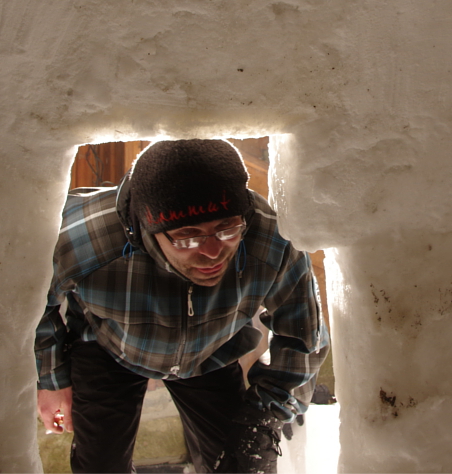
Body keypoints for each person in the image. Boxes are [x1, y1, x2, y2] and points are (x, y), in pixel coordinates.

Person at [34, 139, 329, 473]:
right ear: (145, 229)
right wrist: (52, 380)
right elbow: (32, 304)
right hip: (109, 346)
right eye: (188, 237)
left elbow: (303, 334)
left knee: (245, 463)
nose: (212, 252)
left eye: (226, 229)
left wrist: (265, 415)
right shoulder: (82, 238)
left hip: (212, 350)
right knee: (100, 466)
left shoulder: (271, 238)